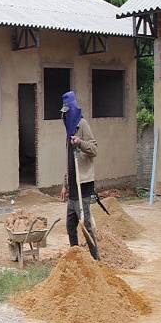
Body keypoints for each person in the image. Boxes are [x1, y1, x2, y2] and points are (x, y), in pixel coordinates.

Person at [59, 91, 100, 260]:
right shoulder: (69, 131)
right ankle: (76, 258)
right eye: (64, 113)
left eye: (67, 112)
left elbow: (94, 150)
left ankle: (96, 259)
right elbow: (69, 160)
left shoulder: (82, 125)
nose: (65, 115)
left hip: (83, 183)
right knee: (70, 225)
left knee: (86, 224)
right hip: (73, 185)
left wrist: (80, 143)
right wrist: (65, 183)